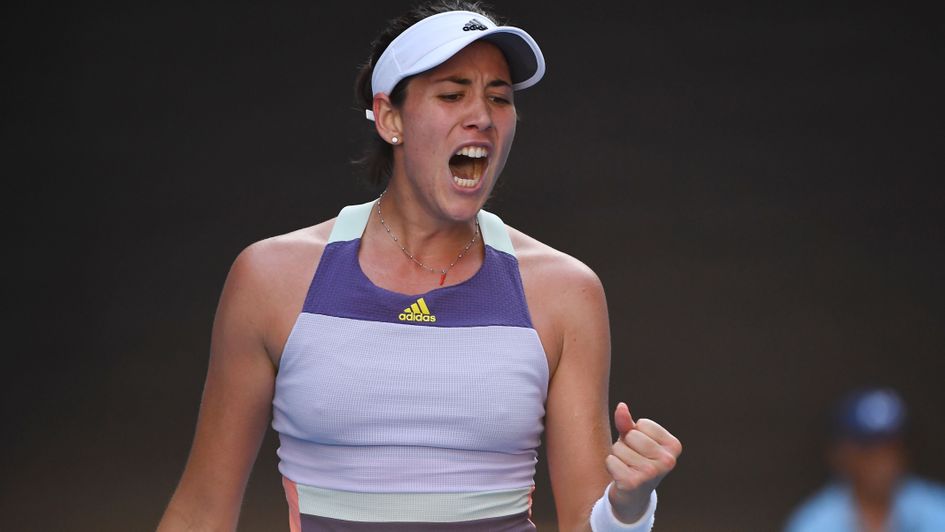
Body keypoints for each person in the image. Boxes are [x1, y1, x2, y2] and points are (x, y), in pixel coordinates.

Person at [157, 1, 682, 530]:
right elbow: (201, 511)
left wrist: (629, 509)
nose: (481, 115)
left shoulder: (566, 293)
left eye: (499, 98)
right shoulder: (270, 279)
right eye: (452, 94)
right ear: (390, 118)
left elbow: (584, 523)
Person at [784, 387, 945, 532]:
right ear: (842, 456)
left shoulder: (937, 510)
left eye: (890, 449)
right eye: (869, 451)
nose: (883, 462)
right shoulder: (815, 524)